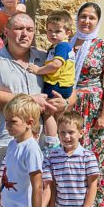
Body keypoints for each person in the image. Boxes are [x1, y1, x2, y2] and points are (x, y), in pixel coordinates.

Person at [0, 13, 64, 168]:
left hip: (42, 145)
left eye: (29, 29)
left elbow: (71, 88)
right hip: (5, 144)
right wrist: (30, 100)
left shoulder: (47, 59)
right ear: (6, 32)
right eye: (19, 28)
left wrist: (65, 102)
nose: (25, 34)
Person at [68, 2, 104, 207]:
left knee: (94, 159)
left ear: (98, 21)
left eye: (91, 18)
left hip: (93, 110)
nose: (86, 21)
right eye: (83, 16)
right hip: (70, 108)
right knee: (69, 156)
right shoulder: (66, 44)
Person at [20, 10, 76, 146]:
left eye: (57, 31)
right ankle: (59, 138)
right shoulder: (55, 47)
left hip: (57, 84)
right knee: (57, 113)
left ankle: (52, 141)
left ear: (68, 33)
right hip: (61, 85)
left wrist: (38, 70)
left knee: (48, 112)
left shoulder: (62, 46)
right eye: (50, 30)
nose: (53, 34)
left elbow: (56, 64)